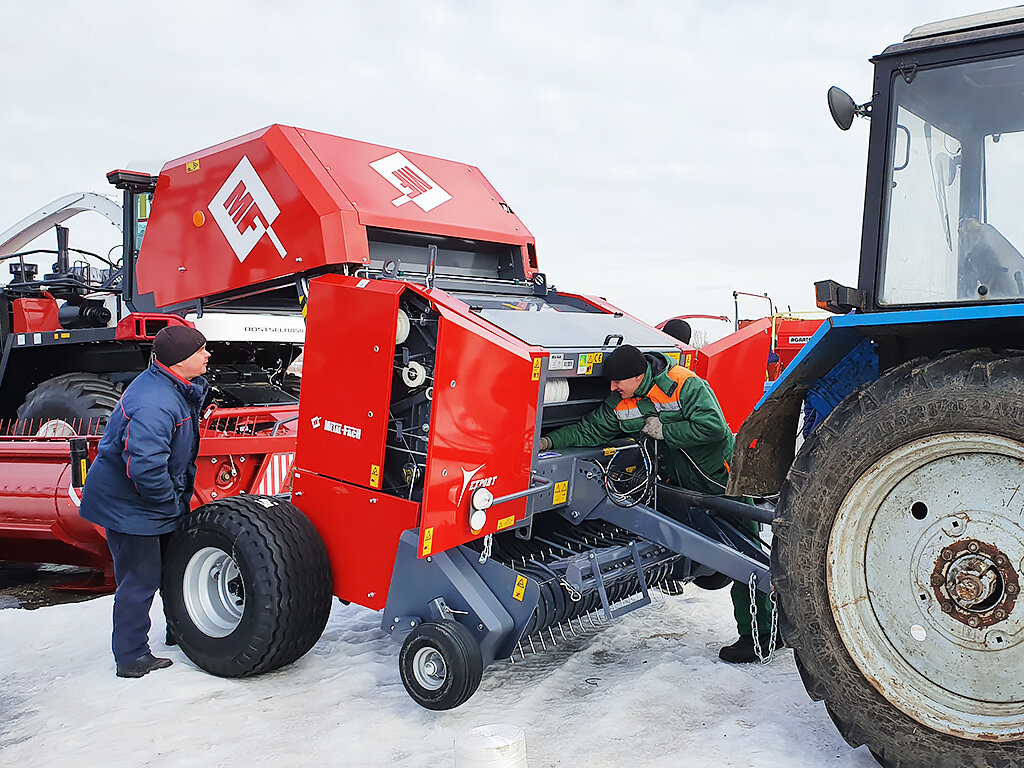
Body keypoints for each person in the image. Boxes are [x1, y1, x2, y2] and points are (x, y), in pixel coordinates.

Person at [538, 344, 778, 663]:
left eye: (617, 382)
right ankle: (769, 630)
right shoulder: (624, 401)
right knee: (732, 555)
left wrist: (665, 430)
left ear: (638, 376)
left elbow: (714, 427)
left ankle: (759, 638)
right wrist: (548, 441)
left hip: (721, 482)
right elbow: (591, 429)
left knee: (742, 557)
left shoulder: (686, 385)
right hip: (681, 486)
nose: (612, 388)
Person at [80, 325, 210, 678]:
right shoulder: (155, 401)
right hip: (129, 505)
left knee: (171, 566)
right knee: (140, 580)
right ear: (180, 361)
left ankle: (178, 630)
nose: (207, 355)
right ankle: (131, 655)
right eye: (200, 351)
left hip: (149, 500)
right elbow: (146, 465)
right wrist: (168, 504)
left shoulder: (172, 386)